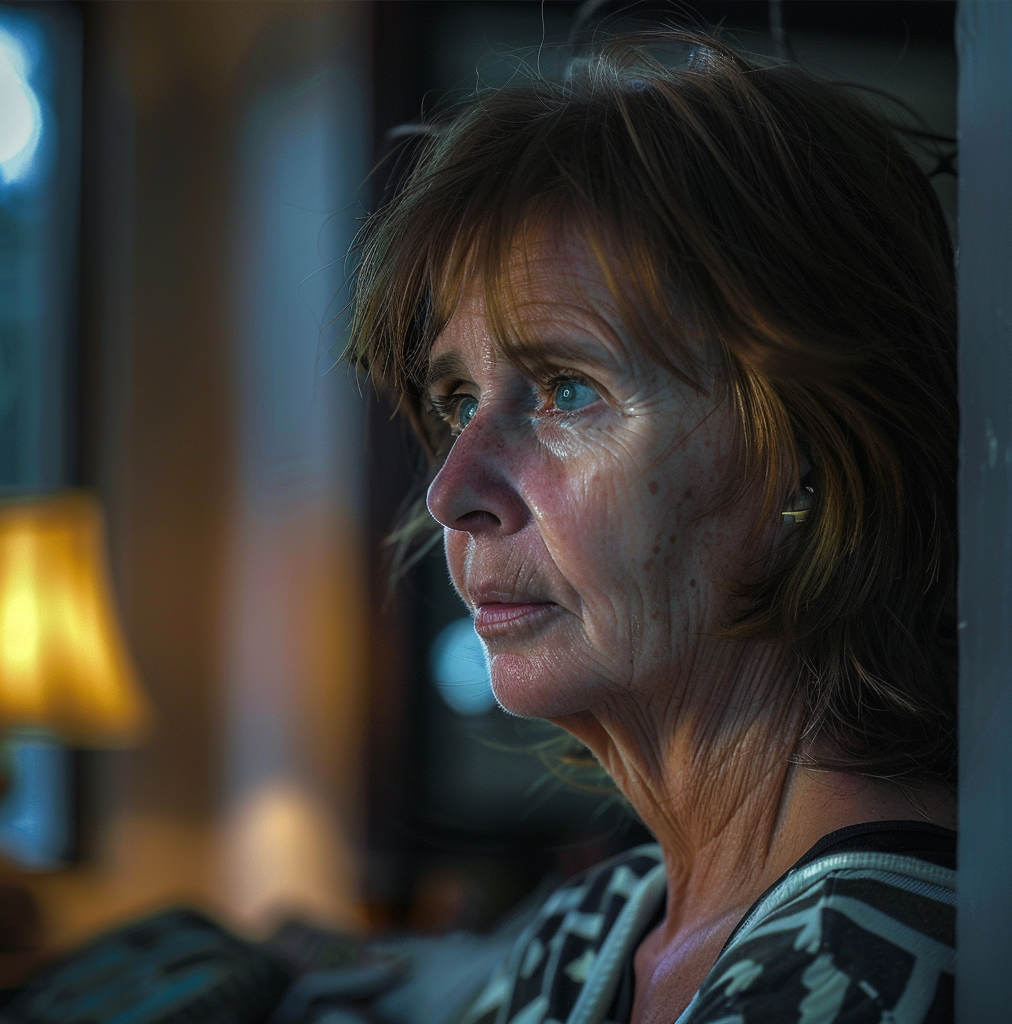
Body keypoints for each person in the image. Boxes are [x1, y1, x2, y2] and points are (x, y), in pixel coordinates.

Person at [348, 29, 957, 1024]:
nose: (452, 490)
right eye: (459, 400)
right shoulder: (597, 926)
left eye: (568, 388)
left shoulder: (875, 964)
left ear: (805, 446)